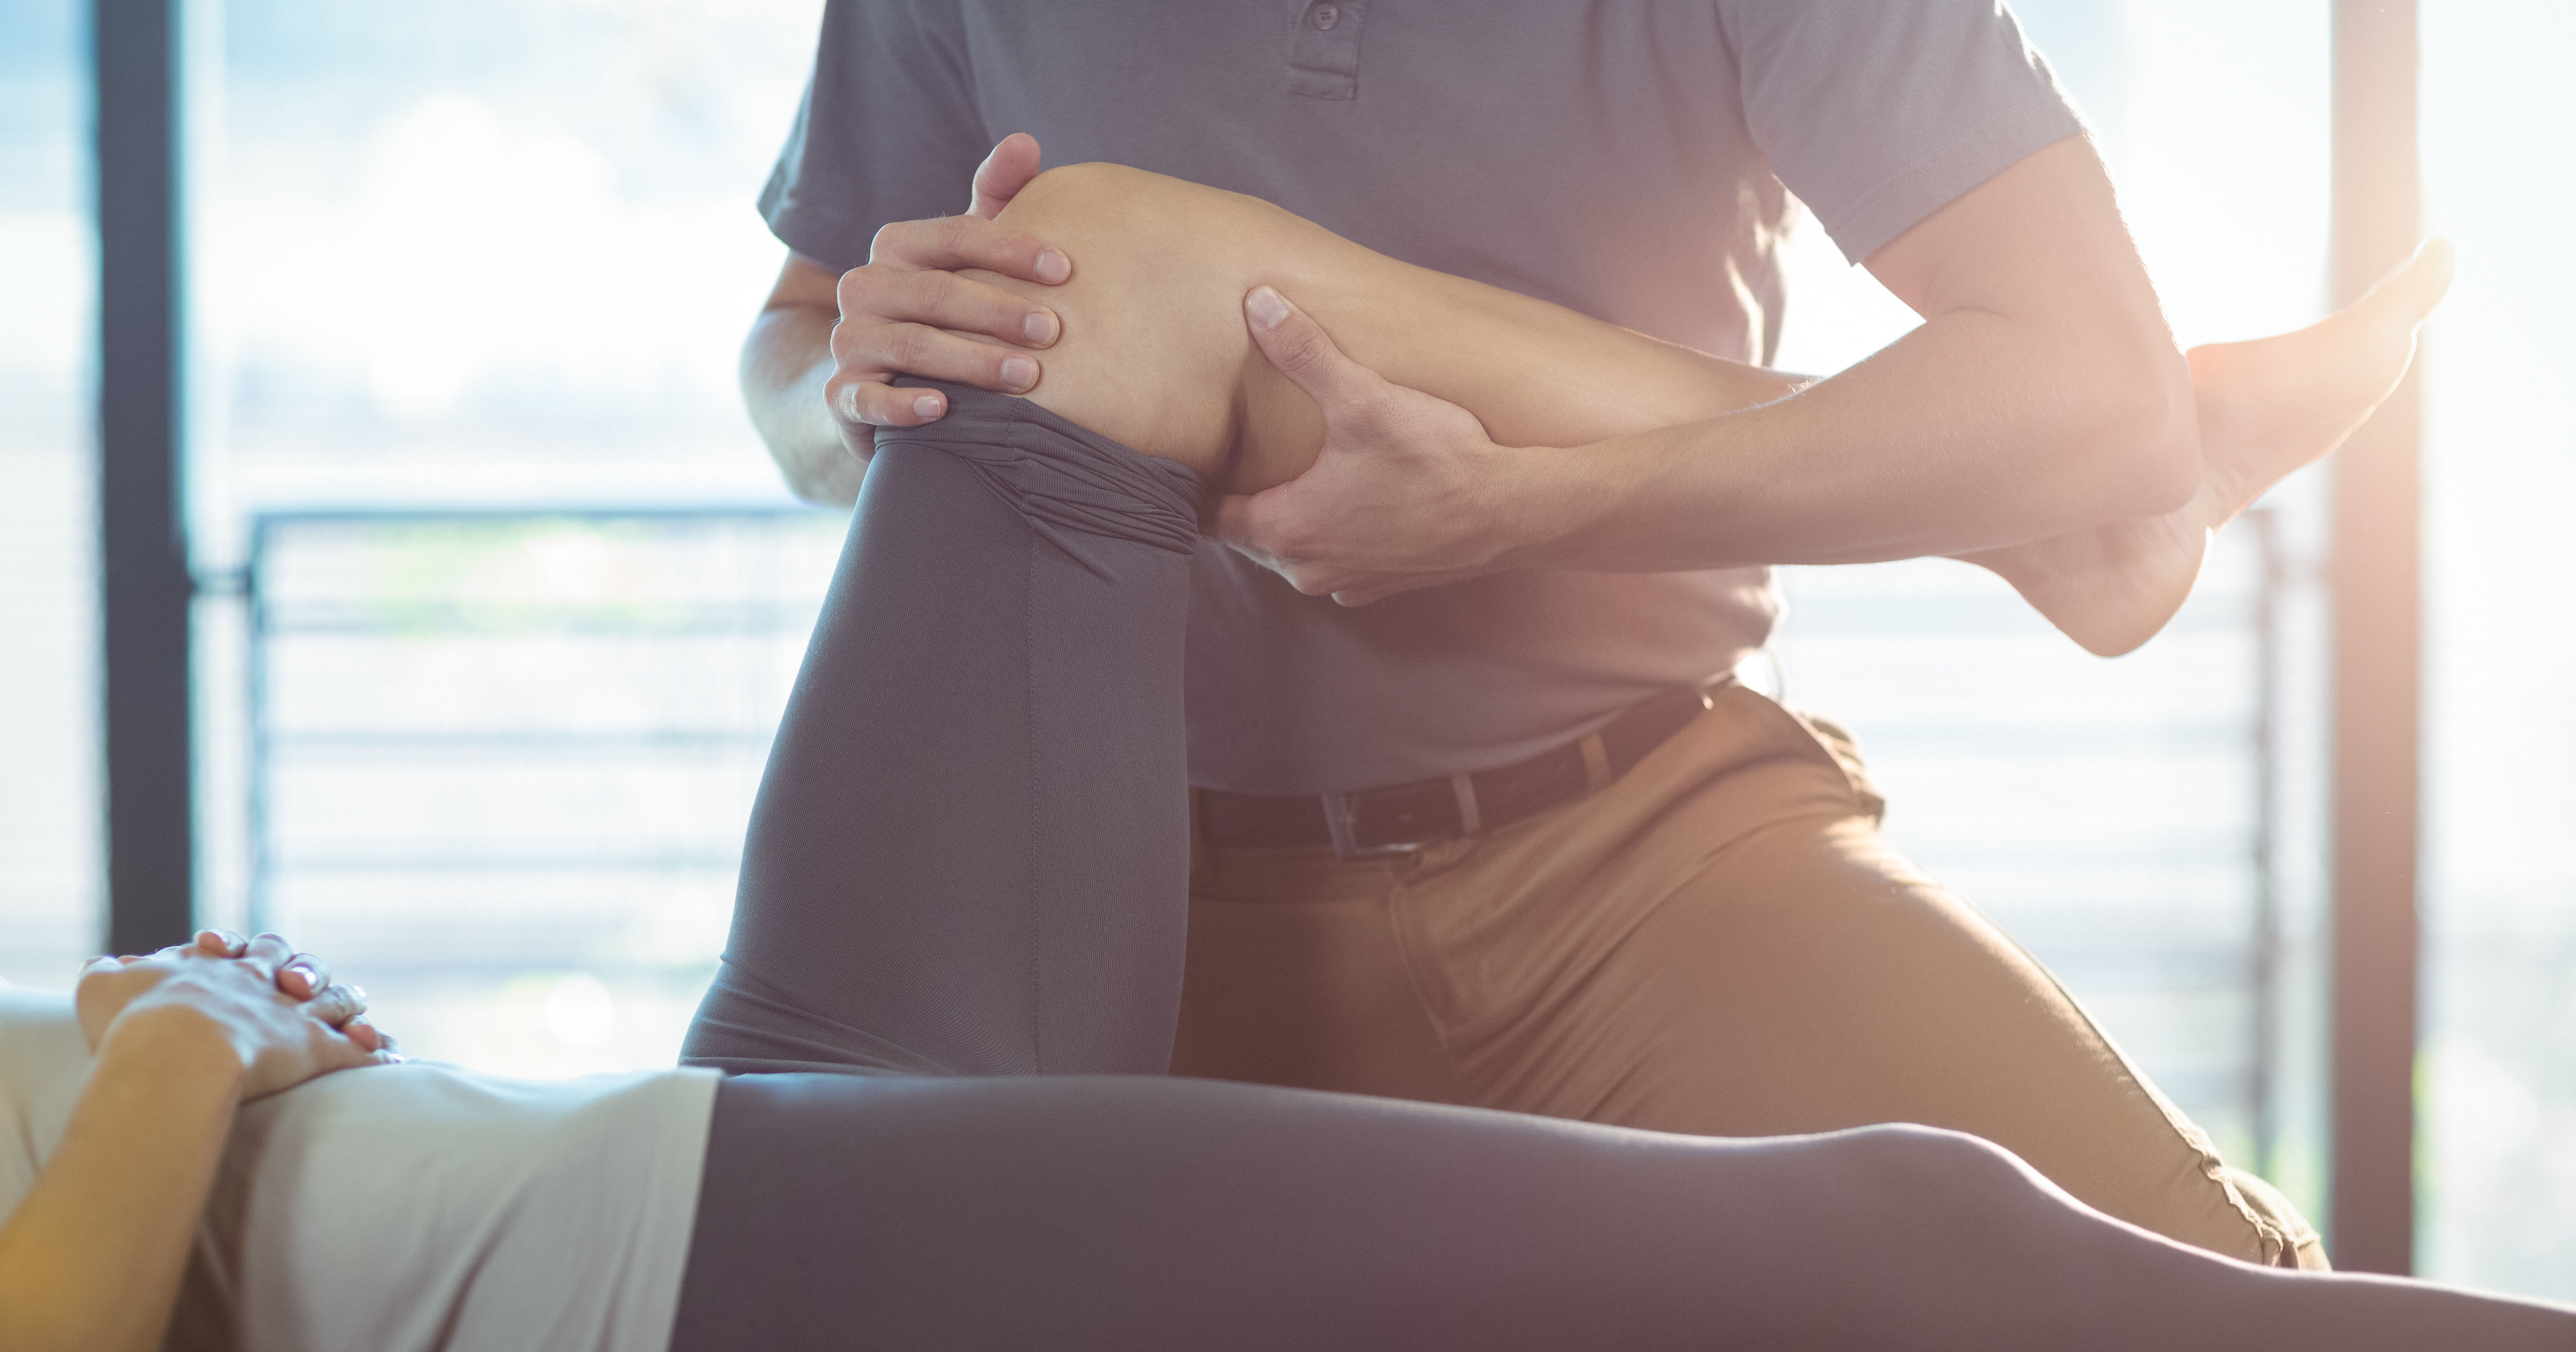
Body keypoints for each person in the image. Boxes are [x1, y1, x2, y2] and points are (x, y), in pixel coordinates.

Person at [0, 251, 2551, 1344]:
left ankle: (2064, 471)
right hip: (682, 1275)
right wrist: (192, 1031)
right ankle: (2070, 475)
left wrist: (852, 366)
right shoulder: (174, 1079)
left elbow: (811, 368)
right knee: (1913, 1258)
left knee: (1075, 283)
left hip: (681, 1150)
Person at [738, 0, 2442, 1268]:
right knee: (1089, 277)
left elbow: (2092, 388)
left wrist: (1530, 505)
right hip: (1142, 902)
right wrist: (860, 388)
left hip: (1652, 846)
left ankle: (2055, 526)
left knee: (2217, 1302)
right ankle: (2045, 538)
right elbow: (797, 354)